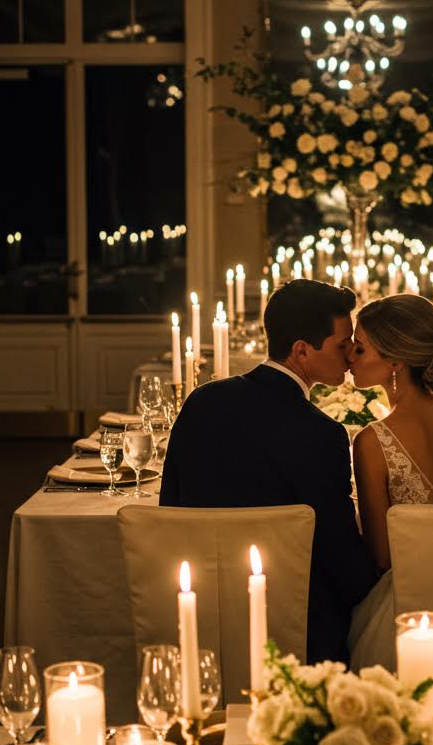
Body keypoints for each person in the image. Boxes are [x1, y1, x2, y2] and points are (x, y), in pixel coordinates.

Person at [160, 279, 378, 663]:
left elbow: (171, 509)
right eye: (342, 345)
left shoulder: (202, 402)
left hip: (199, 612)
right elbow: (341, 560)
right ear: (301, 350)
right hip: (299, 634)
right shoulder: (321, 435)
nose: (350, 356)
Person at [347, 294, 433, 668]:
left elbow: (381, 558)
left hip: (410, 615)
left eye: (359, 350)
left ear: (394, 360)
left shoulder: (373, 441)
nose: (349, 359)